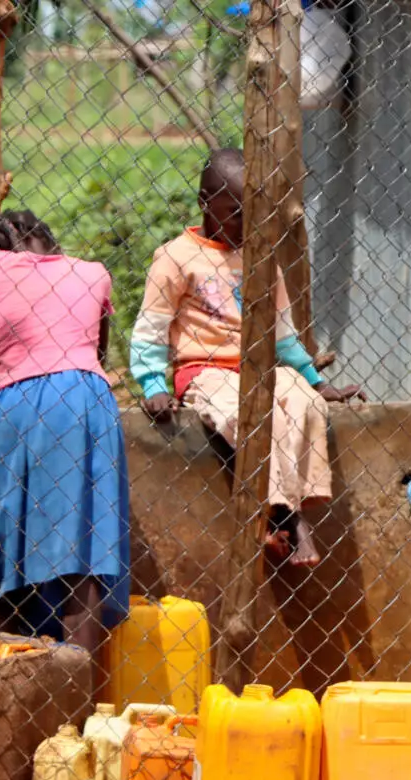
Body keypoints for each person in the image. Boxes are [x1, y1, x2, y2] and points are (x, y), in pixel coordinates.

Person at [131, 148, 363, 567]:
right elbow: (151, 328)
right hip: (204, 369)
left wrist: (315, 381)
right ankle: (289, 518)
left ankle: (285, 511)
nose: (246, 224)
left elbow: (284, 333)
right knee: (246, 415)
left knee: (305, 404)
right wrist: (153, 384)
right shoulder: (175, 258)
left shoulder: (260, 256)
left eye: (254, 213)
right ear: (205, 203)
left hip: (259, 367)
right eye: (235, 212)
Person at [0, 210, 130, 695]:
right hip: (85, 405)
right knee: (82, 556)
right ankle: (75, 709)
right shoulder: (93, 272)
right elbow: (96, 351)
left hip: (15, 406)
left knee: (1, 555)